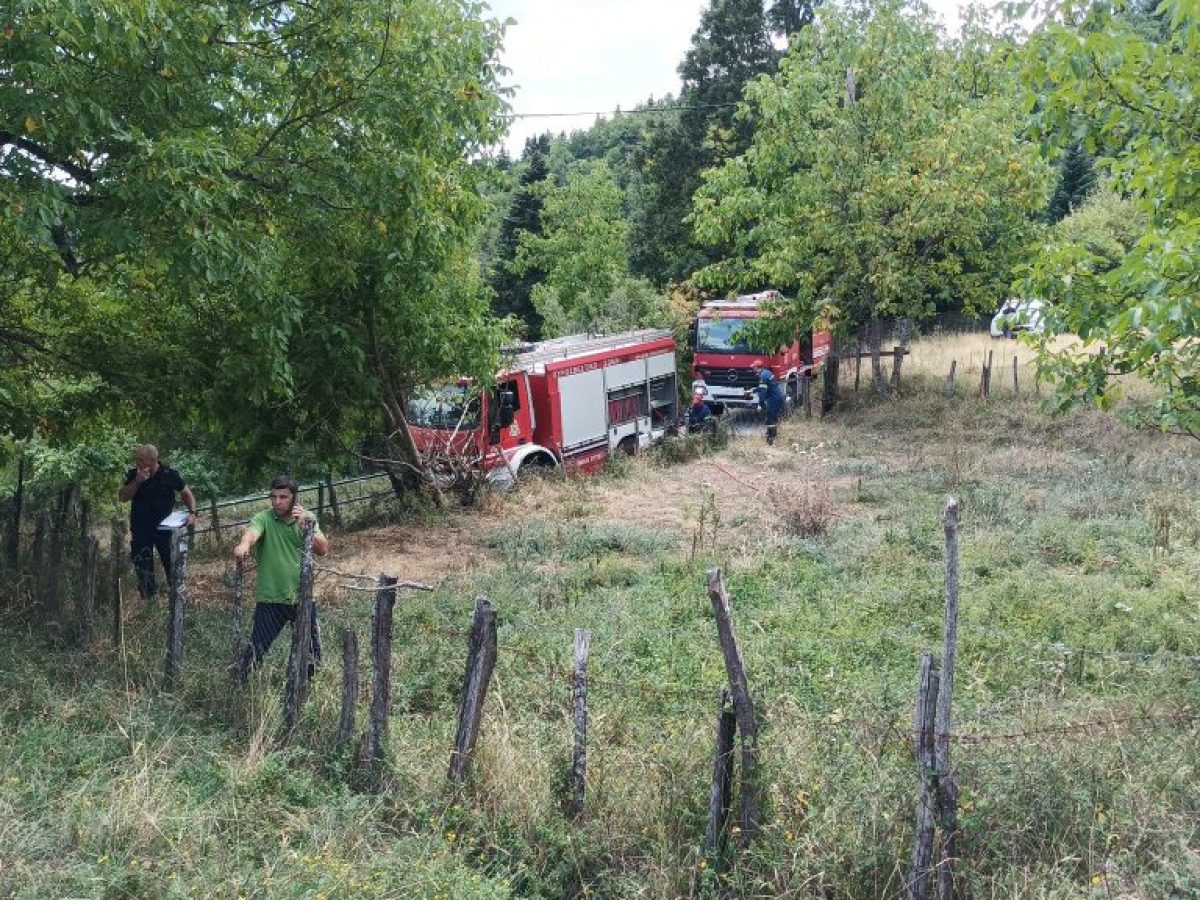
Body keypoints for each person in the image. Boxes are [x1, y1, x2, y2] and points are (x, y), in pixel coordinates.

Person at [234, 474, 330, 682]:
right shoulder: (264, 518)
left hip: (303, 597)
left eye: (283, 497)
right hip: (270, 598)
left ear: (294, 498)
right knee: (255, 650)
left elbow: (323, 549)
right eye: (274, 496)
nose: (277, 501)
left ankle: (308, 691)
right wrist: (244, 545)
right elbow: (251, 533)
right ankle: (240, 690)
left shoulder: (307, 518)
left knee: (311, 652)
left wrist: (306, 527)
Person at [117, 444, 197, 603]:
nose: (137, 462)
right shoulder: (133, 474)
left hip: (166, 530)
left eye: (140, 459)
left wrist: (192, 513)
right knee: (143, 568)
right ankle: (150, 604)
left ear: (152, 460)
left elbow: (187, 494)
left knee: (173, 567)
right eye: (136, 459)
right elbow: (123, 497)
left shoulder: (169, 474)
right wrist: (137, 482)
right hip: (141, 530)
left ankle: (178, 603)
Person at [749, 360, 785, 446]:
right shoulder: (767, 372)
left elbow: (763, 392)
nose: (752, 369)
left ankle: (771, 438)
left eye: (753, 367)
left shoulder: (763, 376)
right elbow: (763, 387)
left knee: (770, 418)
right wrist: (752, 390)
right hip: (776, 397)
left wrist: (760, 404)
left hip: (774, 399)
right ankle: (770, 435)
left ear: (757, 368)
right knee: (771, 417)